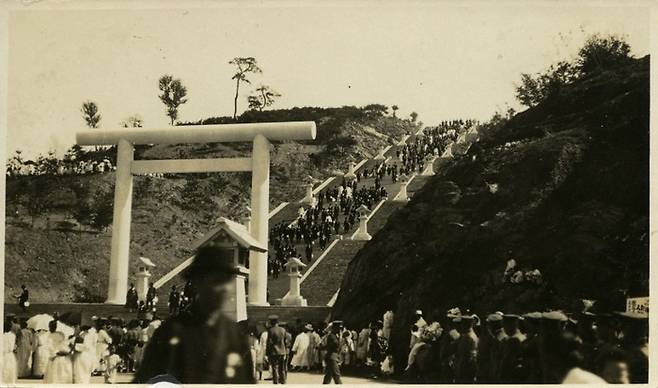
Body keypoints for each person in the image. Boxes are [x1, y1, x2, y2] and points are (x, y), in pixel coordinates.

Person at [134, 244, 254, 384]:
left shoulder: (235, 335)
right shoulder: (171, 331)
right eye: (216, 280)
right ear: (198, 282)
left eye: (226, 281)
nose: (224, 288)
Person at [44, 320, 73, 384]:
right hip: (55, 357)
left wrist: (66, 351)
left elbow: (67, 345)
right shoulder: (50, 336)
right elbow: (49, 347)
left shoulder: (60, 334)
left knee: (62, 375)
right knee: (55, 376)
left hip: (62, 357)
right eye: (51, 326)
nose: (51, 328)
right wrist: (55, 353)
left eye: (53, 326)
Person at [267, 315, 288, 384]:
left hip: (274, 352)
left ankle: (275, 382)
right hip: (282, 351)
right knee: (282, 368)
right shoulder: (283, 330)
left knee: (274, 368)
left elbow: (269, 343)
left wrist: (267, 353)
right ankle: (283, 381)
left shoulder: (270, 330)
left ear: (271, 322)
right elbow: (285, 342)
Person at [3, 319, 18, 384]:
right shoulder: (12, 335)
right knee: (9, 369)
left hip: (5, 354)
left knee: (5, 369)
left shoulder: (3, 335)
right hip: (10, 354)